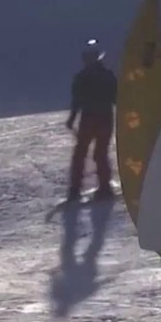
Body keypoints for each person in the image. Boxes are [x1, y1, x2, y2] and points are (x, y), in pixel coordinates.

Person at [65, 39, 118, 202]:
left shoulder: (82, 77)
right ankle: (103, 188)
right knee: (98, 153)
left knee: (83, 153)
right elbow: (116, 98)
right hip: (103, 119)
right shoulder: (107, 76)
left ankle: (76, 190)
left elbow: (77, 100)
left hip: (91, 119)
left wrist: (72, 118)